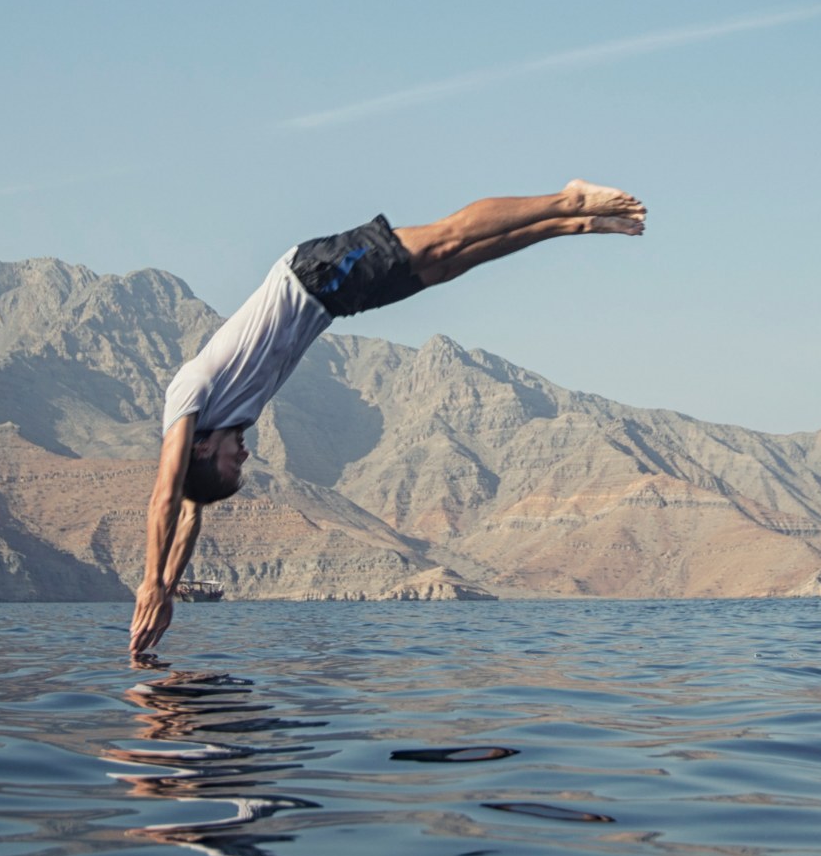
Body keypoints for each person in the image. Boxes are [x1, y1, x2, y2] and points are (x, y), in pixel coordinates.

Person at [128, 183, 646, 662]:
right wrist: (169, 591)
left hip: (312, 274)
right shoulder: (229, 422)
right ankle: (568, 226)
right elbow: (190, 515)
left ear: (198, 450)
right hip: (335, 301)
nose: (243, 456)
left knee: (445, 240)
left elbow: (167, 497)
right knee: (446, 269)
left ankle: (569, 201)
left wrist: (150, 583)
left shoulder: (189, 392)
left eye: (230, 463)